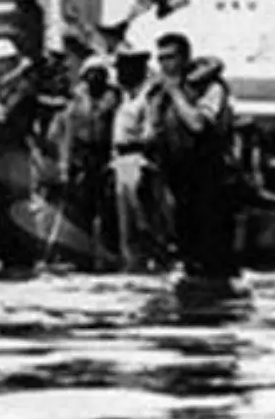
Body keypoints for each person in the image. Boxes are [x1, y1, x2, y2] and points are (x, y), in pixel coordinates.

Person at [155, 35, 236, 279]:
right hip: (179, 176)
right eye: (161, 59)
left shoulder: (211, 88)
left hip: (209, 175)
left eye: (171, 57)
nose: (165, 65)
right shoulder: (164, 93)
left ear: (185, 57)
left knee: (213, 246)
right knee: (187, 244)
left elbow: (198, 124)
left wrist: (176, 93)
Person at [0, 37, 45, 270]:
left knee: (18, 203)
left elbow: (5, 117)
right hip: (1, 154)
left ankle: (23, 255)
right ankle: (8, 254)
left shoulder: (24, 87)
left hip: (18, 154)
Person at [109, 50, 170, 271]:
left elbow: (152, 134)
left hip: (139, 163)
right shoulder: (126, 96)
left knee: (146, 224)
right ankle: (134, 268)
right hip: (121, 164)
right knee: (127, 229)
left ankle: (158, 267)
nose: (119, 74)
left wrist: (133, 146)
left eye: (123, 69)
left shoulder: (149, 97)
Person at [55, 57, 119, 257]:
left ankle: (109, 252)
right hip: (81, 155)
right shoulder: (76, 100)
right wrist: (64, 164)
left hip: (105, 153)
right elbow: (68, 134)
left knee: (108, 208)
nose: (94, 78)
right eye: (90, 73)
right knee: (81, 207)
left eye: (99, 73)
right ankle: (80, 255)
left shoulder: (113, 97)